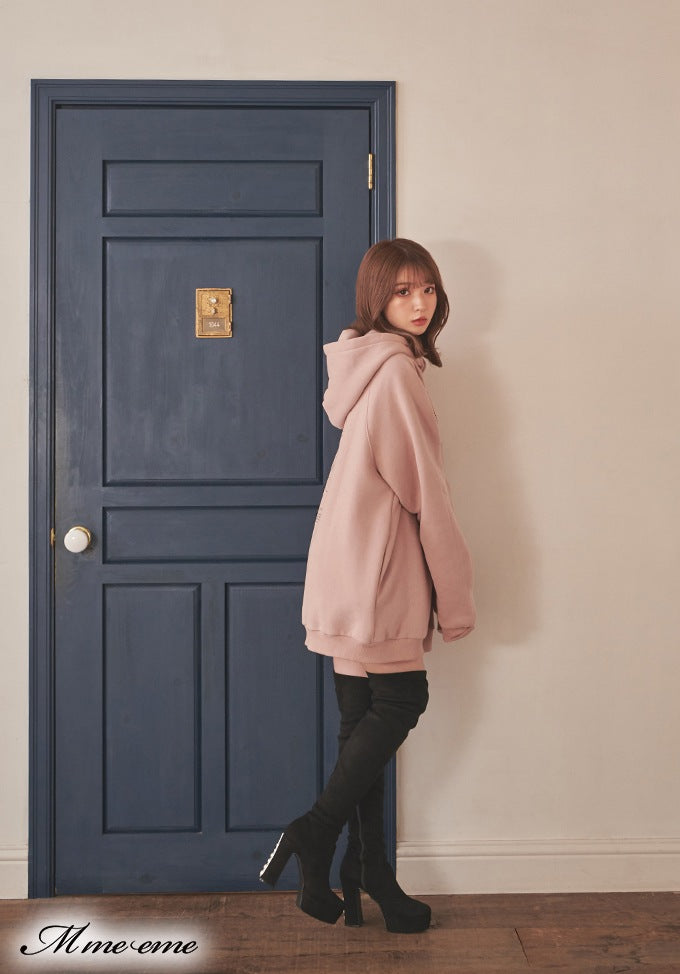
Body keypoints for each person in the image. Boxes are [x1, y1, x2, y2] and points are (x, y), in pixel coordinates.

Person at [259, 238, 476, 933]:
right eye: (403, 291)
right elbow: (427, 496)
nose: (419, 303)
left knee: (361, 724)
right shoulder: (397, 376)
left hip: (346, 564)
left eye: (428, 289)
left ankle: (367, 873)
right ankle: (316, 830)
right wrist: (456, 598)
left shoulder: (366, 367)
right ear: (376, 298)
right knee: (403, 699)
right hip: (379, 573)